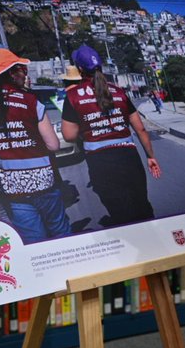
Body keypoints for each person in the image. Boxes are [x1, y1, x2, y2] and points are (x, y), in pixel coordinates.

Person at [0, 48, 70, 244]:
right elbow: (53, 144)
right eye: (22, 68)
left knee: (34, 241)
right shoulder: (30, 100)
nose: (25, 73)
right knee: (60, 232)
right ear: (13, 73)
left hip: (12, 191)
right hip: (45, 183)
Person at [60, 44, 160, 227]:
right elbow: (140, 129)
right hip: (130, 158)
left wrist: (87, 129)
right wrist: (151, 157)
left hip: (100, 162)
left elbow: (68, 135)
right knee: (142, 205)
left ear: (80, 69)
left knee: (120, 212)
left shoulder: (73, 96)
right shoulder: (119, 91)